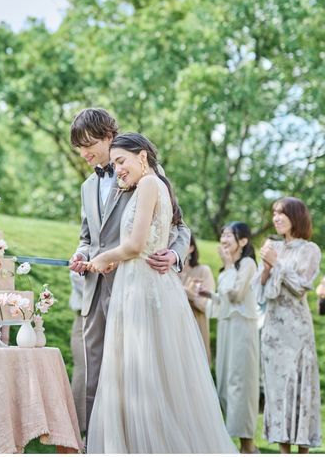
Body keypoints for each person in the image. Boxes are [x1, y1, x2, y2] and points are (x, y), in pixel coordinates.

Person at [85, 132, 236, 453]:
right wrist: (112, 260)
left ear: (142, 156)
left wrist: (104, 258)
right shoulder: (148, 185)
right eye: (114, 164)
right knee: (140, 374)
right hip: (134, 282)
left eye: (121, 161)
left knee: (146, 373)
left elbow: (136, 244)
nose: (118, 169)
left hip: (143, 287)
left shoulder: (149, 184)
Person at [68, 108, 190, 426]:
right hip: (94, 289)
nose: (83, 153)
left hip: (135, 286)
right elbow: (87, 237)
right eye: (79, 147)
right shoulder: (86, 187)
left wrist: (174, 255)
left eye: (87, 144)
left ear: (108, 136)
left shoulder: (142, 170)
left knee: (135, 369)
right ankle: (89, 439)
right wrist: (81, 255)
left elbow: (178, 225)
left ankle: (134, 435)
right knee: (91, 368)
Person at [256, 197, 321, 453]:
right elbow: (260, 293)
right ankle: (283, 451)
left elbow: (301, 287)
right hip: (272, 330)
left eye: (282, 213)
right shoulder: (273, 246)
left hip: (297, 330)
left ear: (296, 217)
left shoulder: (310, 250)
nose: (276, 218)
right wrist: (265, 269)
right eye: (274, 213)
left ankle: (302, 450)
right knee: (276, 390)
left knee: (298, 387)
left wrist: (277, 263)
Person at [199, 221, 259, 454]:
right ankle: (235, 441)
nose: (223, 239)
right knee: (224, 382)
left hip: (242, 328)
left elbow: (237, 296)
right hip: (226, 326)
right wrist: (208, 295)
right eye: (222, 234)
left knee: (240, 382)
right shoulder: (229, 268)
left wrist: (228, 264)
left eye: (229, 235)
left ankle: (248, 445)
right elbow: (225, 299)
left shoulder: (247, 264)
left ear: (242, 241)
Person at [180, 233, 215, 363]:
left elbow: (206, 305)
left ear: (191, 248)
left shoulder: (203, 271)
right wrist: (186, 291)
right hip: (174, 329)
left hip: (196, 328)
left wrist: (189, 295)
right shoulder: (168, 273)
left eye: (181, 243)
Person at [68, 269, 86, 433]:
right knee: (83, 369)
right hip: (84, 316)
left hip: (110, 316)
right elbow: (76, 274)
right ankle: (76, 429)